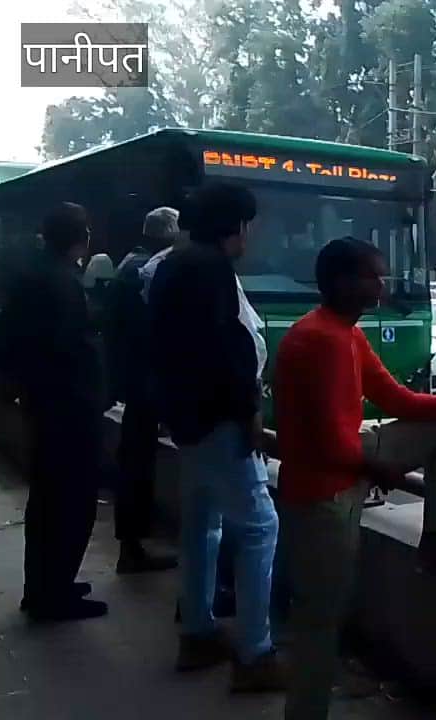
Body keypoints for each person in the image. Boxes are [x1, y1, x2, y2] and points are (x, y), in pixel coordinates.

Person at [275, 237, 436, 720]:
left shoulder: (346, 334)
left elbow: (397, 400)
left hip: (344, 470)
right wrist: (376, 470)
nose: (379, 288)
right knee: (320, 619)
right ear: (340, 282)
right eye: (371, 277)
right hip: (323, 493)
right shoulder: (318, 340)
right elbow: (325, 440)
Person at [149, 182, 282, 691]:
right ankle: (255, 654)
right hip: (217, 420)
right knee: (259, 527)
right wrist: (248, 410)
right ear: (239, 226)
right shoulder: (210, 272)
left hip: (188, 420)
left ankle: (199, 633)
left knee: (203, 523)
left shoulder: (173, 266)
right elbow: (225, 354)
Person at [0, 203, 109, 622]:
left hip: (46, 407)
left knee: (48, 501)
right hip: (68, 410)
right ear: (82, 238)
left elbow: (5, 339)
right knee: (71, 502)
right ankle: (52, 593)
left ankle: (45, 584)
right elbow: (67, 349)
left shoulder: (35, 277)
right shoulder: (61, 284)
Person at [107, 207, 180, 574]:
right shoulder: (146, 271)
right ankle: (133, 548)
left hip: (133, 381)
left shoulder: (128, 264)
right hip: (144, 384)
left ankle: (133, 544)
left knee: (134, 461)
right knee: (137, 465)